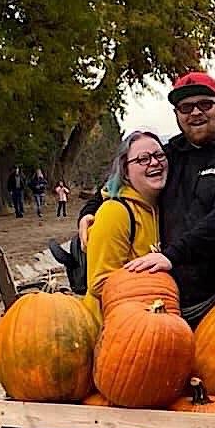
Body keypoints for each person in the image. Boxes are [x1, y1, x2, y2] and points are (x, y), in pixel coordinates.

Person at [79, 71, 215, 314]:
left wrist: (172, 256)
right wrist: (90, 210)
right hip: (183, 302)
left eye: (205, 104)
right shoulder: (172, 154)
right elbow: (122, 178)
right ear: (177, 114)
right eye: (185, 107)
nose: (195, 112)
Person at [82, 130, 167, 324]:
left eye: (159, 155)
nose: (154, 162)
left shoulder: (166, 208)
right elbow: (100, 282)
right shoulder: (115, 212)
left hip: (152, 320)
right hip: (113, 327)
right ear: (126, 171)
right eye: (142, 159)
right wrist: (155, 289)